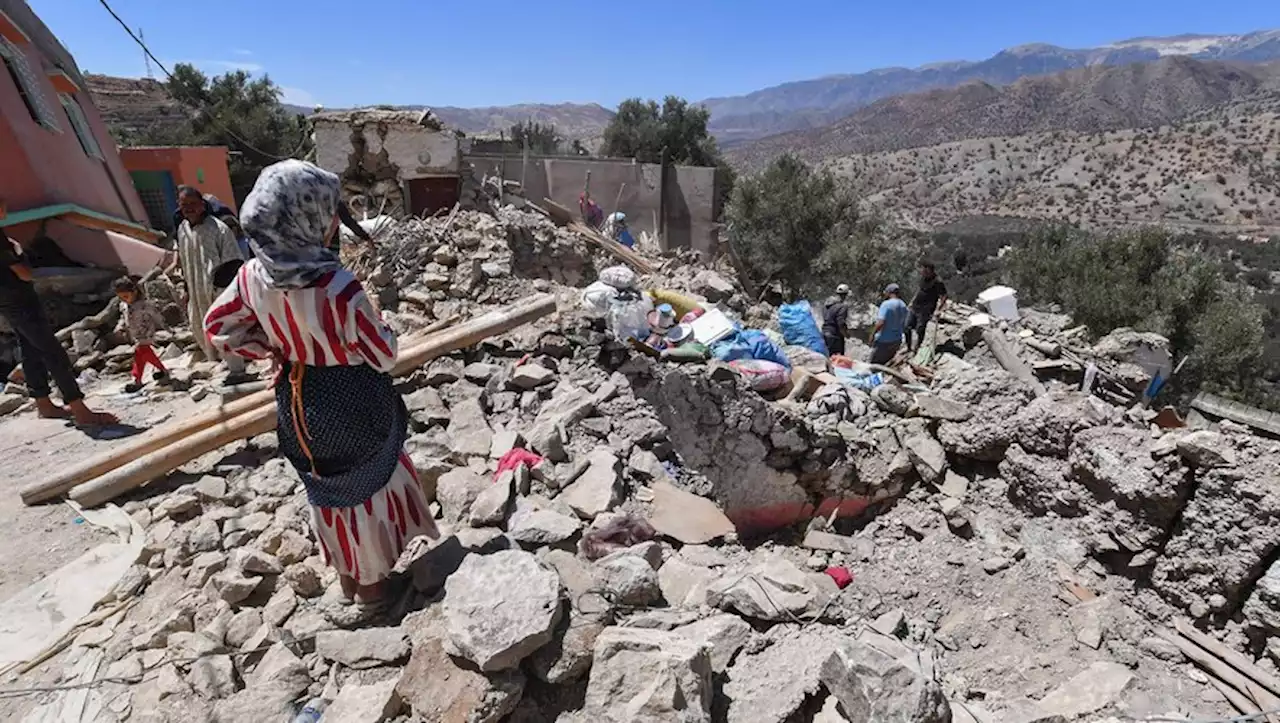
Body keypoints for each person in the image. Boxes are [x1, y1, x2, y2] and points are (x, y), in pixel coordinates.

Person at [204, 160, 437, 607]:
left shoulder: (251, 276)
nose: (334, 222)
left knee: (329, 494)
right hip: (352, 403)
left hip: (296, 401)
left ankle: (348, 578)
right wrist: (383, 326)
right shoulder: (338, 287)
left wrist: (271, 349)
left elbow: (219, 327)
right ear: (307, 217)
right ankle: (373, 592)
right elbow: (383, 355)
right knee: (367, 494)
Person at [0, 203, 117, 427]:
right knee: (53, 351)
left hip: (9, 301)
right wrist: (22, 257)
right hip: (19, 300)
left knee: (30, 349)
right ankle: (80, 410)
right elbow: (24, 274)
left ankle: (44, 404)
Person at [172, 186, 252, 384]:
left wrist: (224, 292)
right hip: (196, 290)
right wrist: (186, 288)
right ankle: (222, 361)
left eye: (193, 204)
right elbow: (183, 259)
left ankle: (238, 370)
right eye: (184, 205)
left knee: (224, 328)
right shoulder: (182, 229)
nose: (189, 208)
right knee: (200, 326)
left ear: (202, 205)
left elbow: (233, 260)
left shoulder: (218, 229)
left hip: (218, 289)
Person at [113, 277, 169, 393]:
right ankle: (161, 370)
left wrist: (166, 327)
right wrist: (119, 327)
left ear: (134, 292)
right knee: (142, 354)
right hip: (134, 334)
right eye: (121, 298)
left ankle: (137, 380)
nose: (124, 300)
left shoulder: (144, 305)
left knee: (141, 351)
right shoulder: (124, 306)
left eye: (126, 296)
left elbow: (156, 316)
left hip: (146, 332)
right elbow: (123, 318)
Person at [906, 261, 948, 352]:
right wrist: (911, 302)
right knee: (907, 327)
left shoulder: (937, 281)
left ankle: (917, 347)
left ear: (929, 270)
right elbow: (919, 290)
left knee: (920, 329)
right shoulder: (923, 278)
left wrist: (938, 309)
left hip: (926, 309)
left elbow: (943, 296)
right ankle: (908, 347)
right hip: (915, 306)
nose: (922, 272)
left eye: (924, 270)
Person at [869, 283, 909, 365]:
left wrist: (872, 334)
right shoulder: (903, 305)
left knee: (874, 365)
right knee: (887, 364)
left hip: (884, 340)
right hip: (897, 340)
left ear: (889, 292)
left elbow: (881, 322)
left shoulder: (886, 304)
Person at [822, 284, 851, 356]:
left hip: (824, 333)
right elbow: (840, 323)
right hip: (835, 336)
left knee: (826, 357)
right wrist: (846, 334)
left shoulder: (826, 304)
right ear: (845, 295)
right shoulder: (842, 306)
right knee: (837, 360)